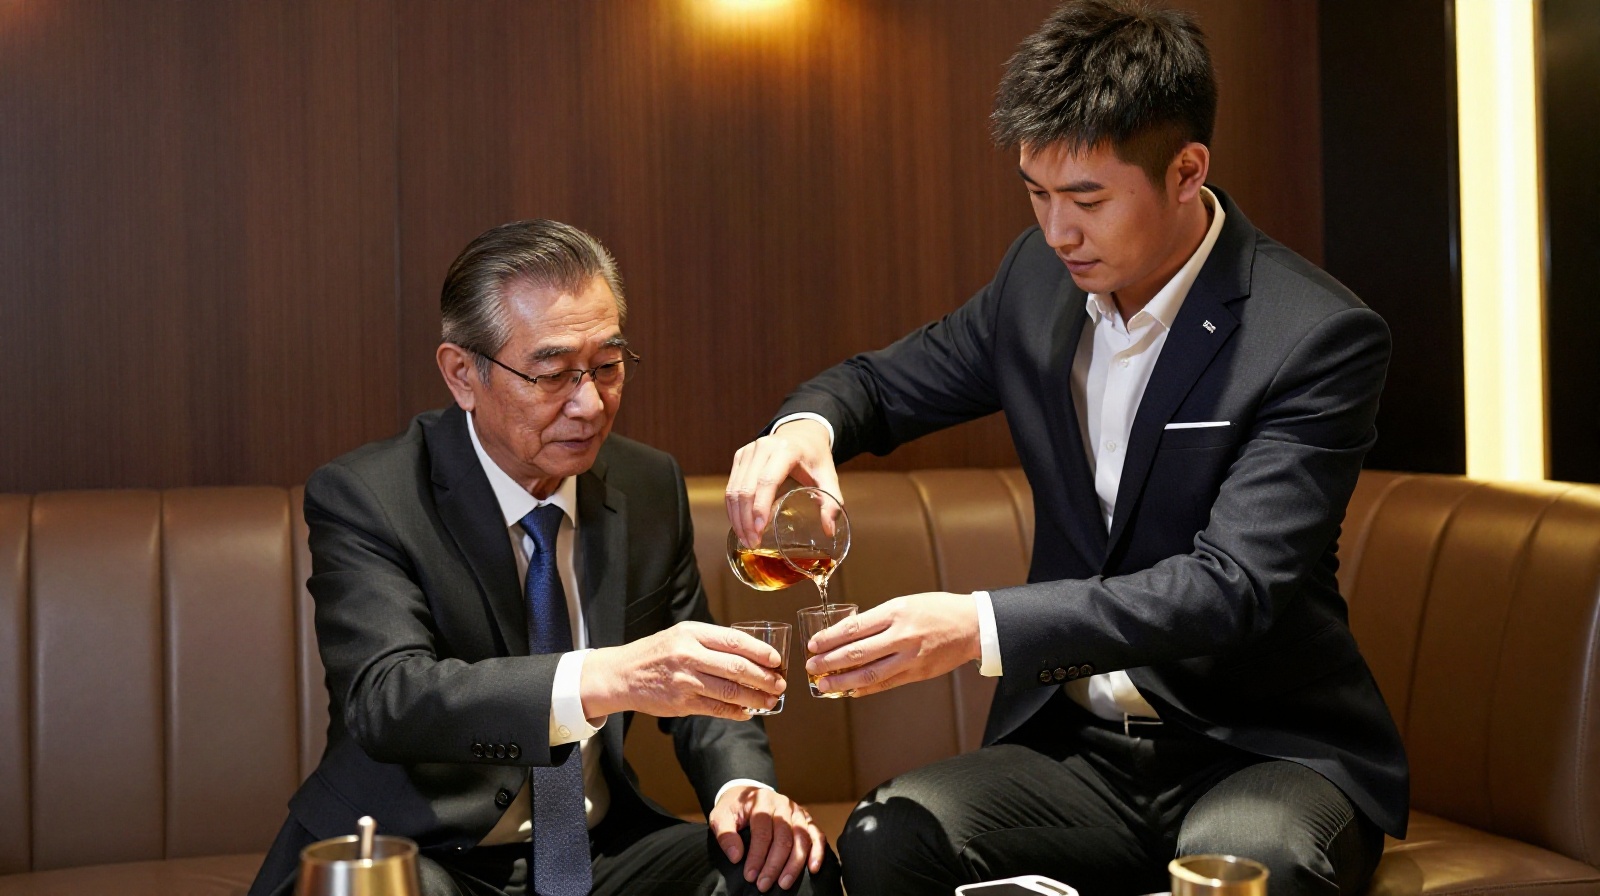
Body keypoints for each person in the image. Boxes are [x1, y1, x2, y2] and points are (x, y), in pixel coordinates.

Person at [724, 2, 1407, 895]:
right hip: (1081, 752)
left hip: (1259, 750)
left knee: (1247, 869)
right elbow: (880, 387)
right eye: (1036, 194)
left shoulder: (1311, 334)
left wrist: (979, 625)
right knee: (893, 836)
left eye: (1086, 198)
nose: (1057, 231)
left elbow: (1230, 585)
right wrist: (799, 432)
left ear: (1186, 171)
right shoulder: (1037, 284)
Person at [252, 219, 840, 896]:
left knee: (789, 874)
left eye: (609, 366)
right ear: (462, 373)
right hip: (417, 848)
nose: (589, 405)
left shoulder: (646, 486)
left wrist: (745, 788)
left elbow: (698, 687)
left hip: (599, 851)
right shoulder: (370, 496)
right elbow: (390, 698)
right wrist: (605, 677)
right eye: (553, 374)